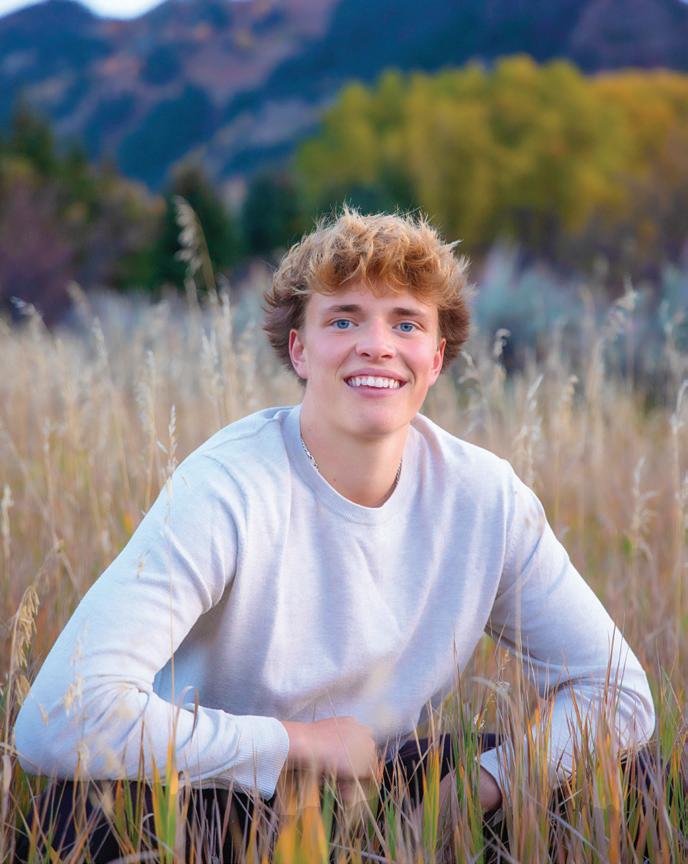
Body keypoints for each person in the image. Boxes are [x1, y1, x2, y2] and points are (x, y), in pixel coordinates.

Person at [14, 209, 655, 860]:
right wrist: (298, 744)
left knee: (632, 780)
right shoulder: (227, 486)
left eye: (406, 323)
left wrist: (480, 790)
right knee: (86, 825)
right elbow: (57, 718)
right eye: (344, 320)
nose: (376, 344)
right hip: (209, 789)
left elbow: (618, 694)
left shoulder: (486, 498)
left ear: (435, 357)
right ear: (300, 349)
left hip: (373, 787)